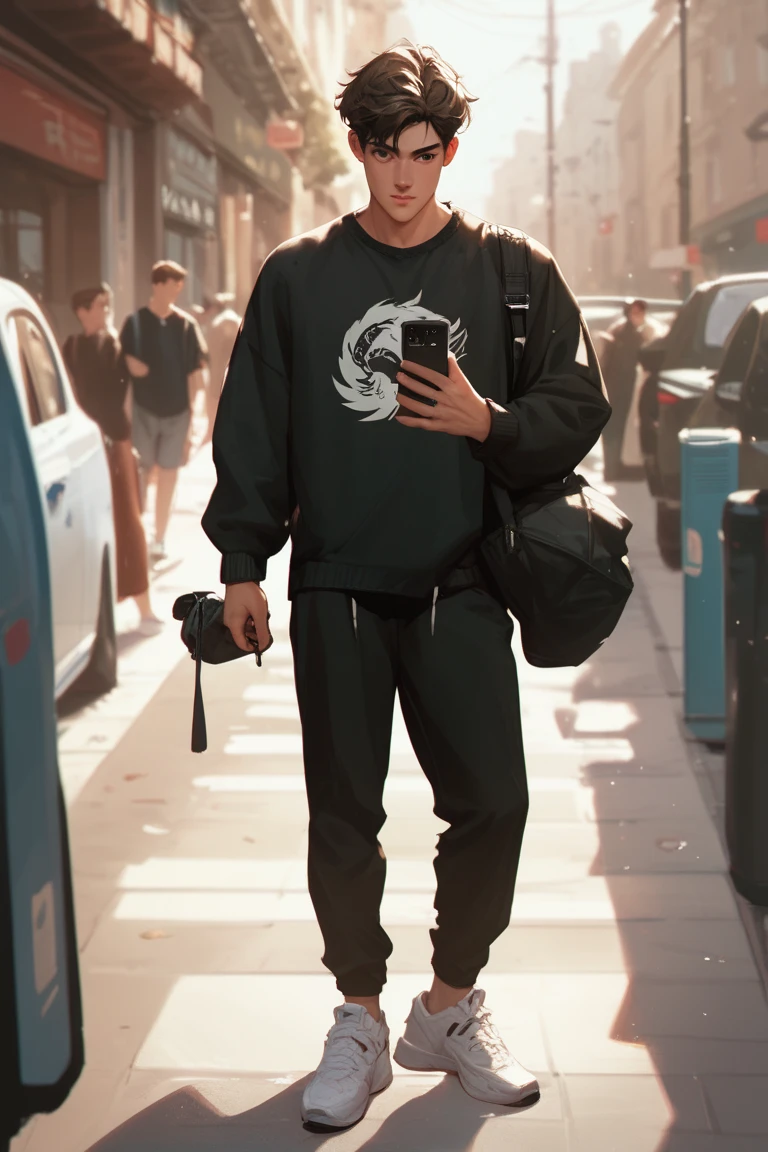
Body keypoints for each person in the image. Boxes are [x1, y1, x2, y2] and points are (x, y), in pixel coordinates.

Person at [202, 42, 610, 1132]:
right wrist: (243, 561)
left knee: (495, 804)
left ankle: (447, 1005)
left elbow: (579, 402)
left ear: (450, 152)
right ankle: (359, 1019)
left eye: (421, 154)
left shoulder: (510, 270)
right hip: (334, 586)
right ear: (358, 148)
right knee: (343, 816)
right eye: (382, 151)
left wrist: (492, 422)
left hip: (462, 583)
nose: (400, 176)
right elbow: (254, 427)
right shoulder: (297, 276)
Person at [62, 285, 162, 633]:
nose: (105, 310)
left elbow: (140, 376)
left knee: (127, 521)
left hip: (115, 443)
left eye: (107, 305)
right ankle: (90, 611)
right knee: (83, 526)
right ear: (82, 311)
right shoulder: (71, 347)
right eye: (100, 305)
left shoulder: (116, 345)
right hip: (84, 445)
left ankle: (144, 607)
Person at [120, 261, 207, 561]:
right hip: (143, 411)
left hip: (178, 412)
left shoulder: (186, 326)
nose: (177, 291)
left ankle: (159, 538)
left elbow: (196, 375)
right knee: (141, 474)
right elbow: (122, 370)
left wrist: (196, 417)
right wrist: (131, 364)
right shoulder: (134, 323)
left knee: (169, 474)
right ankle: (140, 534)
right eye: (172, 285)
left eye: (179, 286)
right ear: (157, 285)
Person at [599, 298, 661, 481]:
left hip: (633, 388)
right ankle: (613, 469)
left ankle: (621, 468)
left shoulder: (646, 330)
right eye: (634, 312)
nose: (638, 316)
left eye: (640, 312)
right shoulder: (620, 332)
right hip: (618, 388)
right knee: (615, 428)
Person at [197, 292, 241, 444]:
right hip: (222, 366)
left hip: (223, 367)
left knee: (217, 397)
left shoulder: (226, 320)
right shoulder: (229, 319)